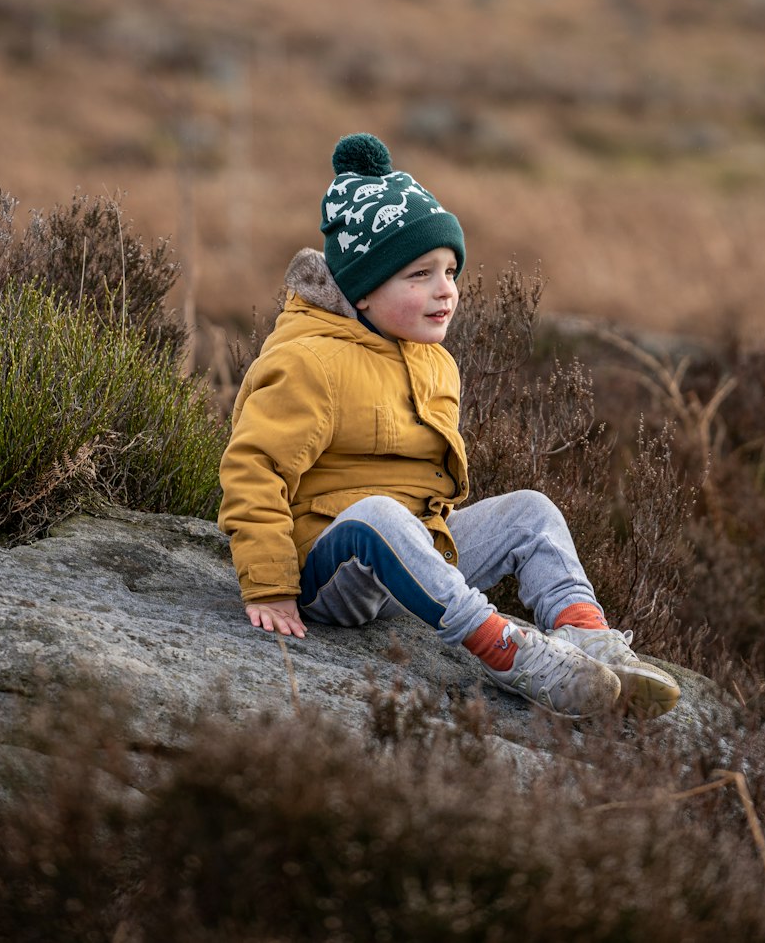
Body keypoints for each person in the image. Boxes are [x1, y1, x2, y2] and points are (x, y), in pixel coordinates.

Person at [218, 133, 680, 720]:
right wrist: (270, 585)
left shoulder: (433, 360)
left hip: (415, 562)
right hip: (332, 572)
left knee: (532, 512)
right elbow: (252, 466)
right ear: (361, 291)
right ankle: (507, 651)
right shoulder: (309, 361)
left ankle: (589, 639)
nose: (446, 290)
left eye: (450, 270)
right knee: (378, 514)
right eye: (419, 275)